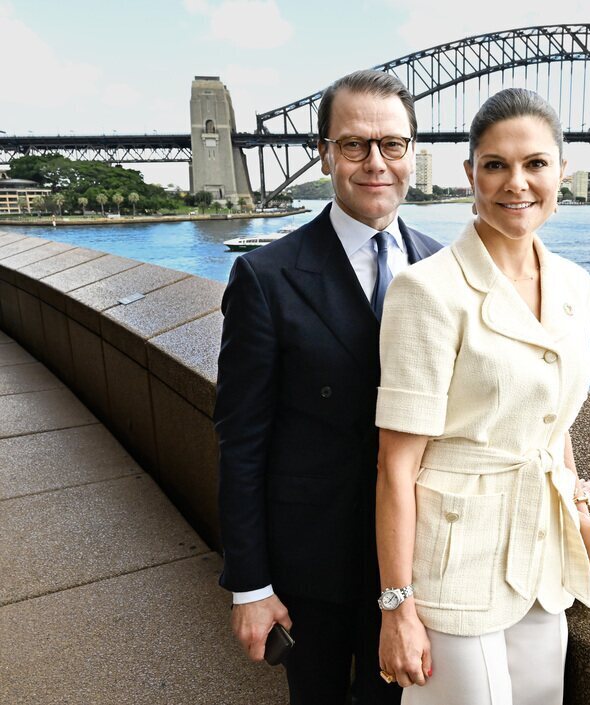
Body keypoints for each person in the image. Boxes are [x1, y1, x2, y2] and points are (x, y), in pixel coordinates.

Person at [373, 88, 590, 705]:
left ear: (563, 171)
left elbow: (551, 424)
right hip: (454, 558)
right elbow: (397, 465)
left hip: (542, 549)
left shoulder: (574, 286)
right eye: (496, 165)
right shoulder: (426, 290)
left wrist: (578, 513)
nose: (517, 184)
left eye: (536, 163)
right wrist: (397, 607)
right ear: (471, 174)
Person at [214, 69, 442, 705]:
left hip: (416, 563)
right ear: (324, 154)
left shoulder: (444, 266)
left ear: (412, 153)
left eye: (392, 145)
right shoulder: (265, 276)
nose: (375, 162)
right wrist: (251, 585)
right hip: (309, 567)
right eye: (353, 145)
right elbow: (240, 442)